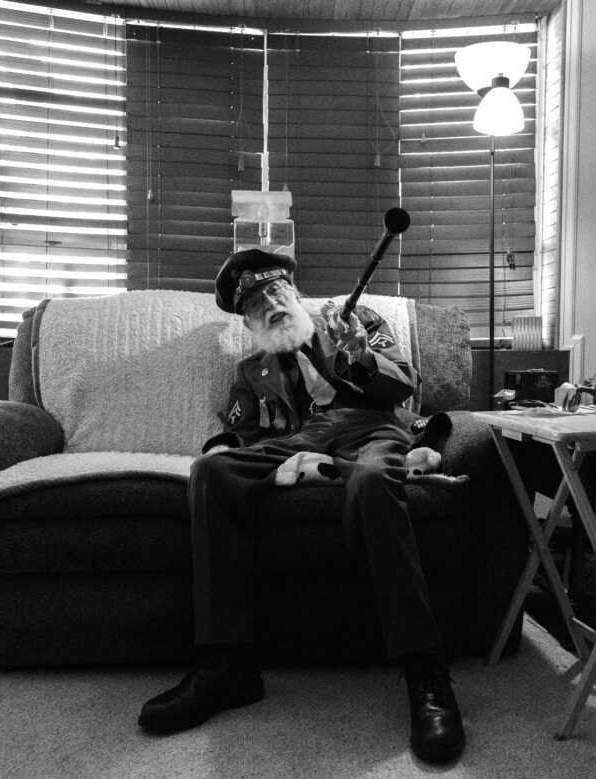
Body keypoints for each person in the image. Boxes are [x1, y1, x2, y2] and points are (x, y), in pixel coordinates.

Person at [138, 248, 465, 764]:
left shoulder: (355, 321)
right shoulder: (252, 371)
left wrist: (360, 355)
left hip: (371, 427)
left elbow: (404, 382)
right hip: (301, 439)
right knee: (210, 472)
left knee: (374, 481)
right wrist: (223, 449)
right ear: (248, 324)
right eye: (254, 304)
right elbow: (243, 433)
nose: (269, 304)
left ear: (294, 292)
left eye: (274, 291)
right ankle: (227, 665)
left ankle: (426, 670)